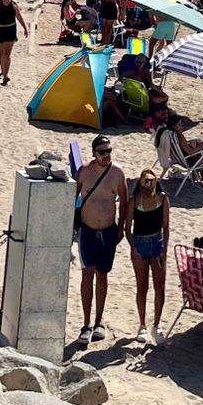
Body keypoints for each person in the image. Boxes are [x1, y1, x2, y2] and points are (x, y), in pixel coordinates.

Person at [75, 136, 127, 343]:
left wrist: (122, 228)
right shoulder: (84, 172)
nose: (106, 155)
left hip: (108, 231)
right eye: (102, 152)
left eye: (109, 151)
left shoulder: (117, 173)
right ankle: (86, 323)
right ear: (94, 153)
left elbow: (124, 202)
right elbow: (72, 197)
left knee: (102, 275)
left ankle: (98, 321)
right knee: (87, 275)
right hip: (87, 231)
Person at [124, 168, 170, 344]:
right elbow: (128, 228)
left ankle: (156, 325)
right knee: (142, 286)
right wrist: (133, 247)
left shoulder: (163, 198)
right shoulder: (134, 201)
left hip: (156, 242)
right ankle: (142, 324)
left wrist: (164, 249)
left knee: (160, 286)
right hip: (140, 243)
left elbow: (166, 226)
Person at [0, 0, 27, 85]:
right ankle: (3, 71)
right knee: (1, 53)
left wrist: (24, 27)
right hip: (0, 29)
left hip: (10, 29)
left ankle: (5, 75)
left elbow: (19, 16)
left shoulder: (14, 5)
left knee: (7, 53)